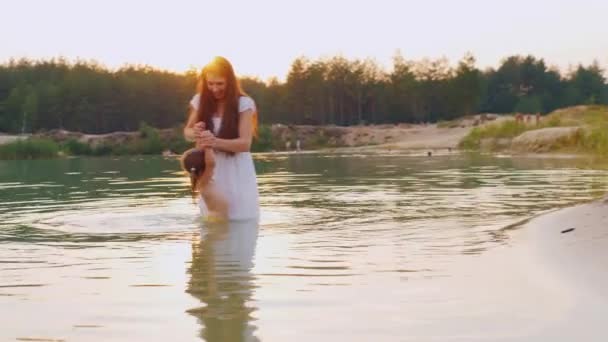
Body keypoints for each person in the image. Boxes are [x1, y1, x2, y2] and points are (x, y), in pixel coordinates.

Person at [184, 56, 260, 220]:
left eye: (220, 84)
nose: (214, 89)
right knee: (214, 216)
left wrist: (214, 142)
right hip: (209, 168)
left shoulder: (243, 104)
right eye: (210, 83)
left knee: (241, 218)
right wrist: (196, 132)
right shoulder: (200, 101)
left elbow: (245, 144)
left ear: (230, 81)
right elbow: (187, 132)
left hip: (237, 168)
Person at [180, 147, 228, 221]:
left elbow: (210, 164)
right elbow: (211, 164)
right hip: (217, 221)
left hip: (215, 219)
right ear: (203, 169)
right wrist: (208, 146)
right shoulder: (205, 182)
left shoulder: (203, 183)